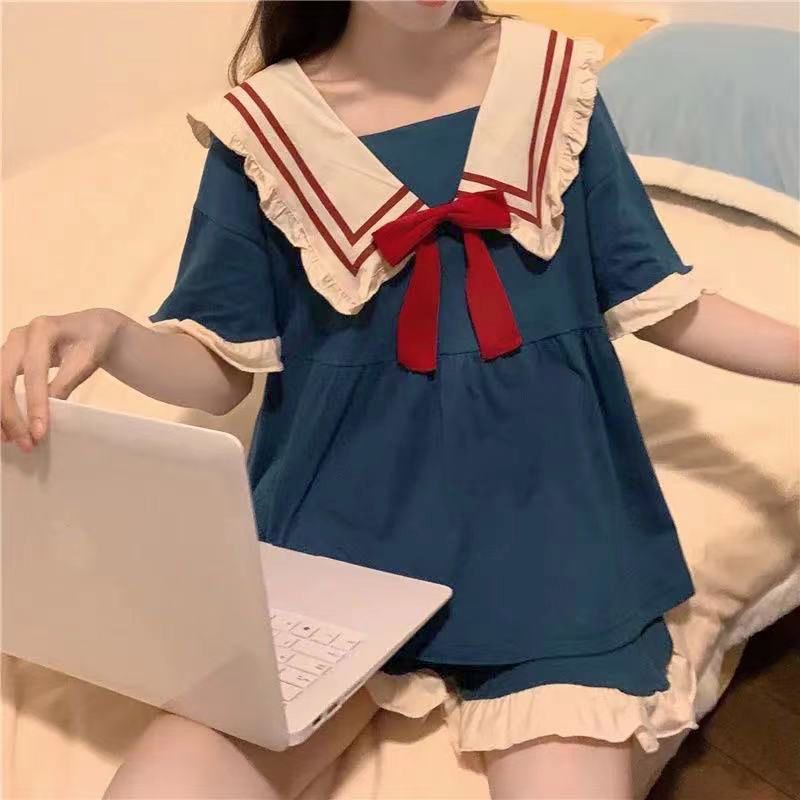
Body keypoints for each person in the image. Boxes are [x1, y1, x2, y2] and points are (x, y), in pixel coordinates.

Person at [3, 2, 798, 797]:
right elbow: (219, 369)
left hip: (551, 543)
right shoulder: (267, 129)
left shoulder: (553, 83)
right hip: (336, 542)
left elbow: (657, 296)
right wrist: (113, 335)